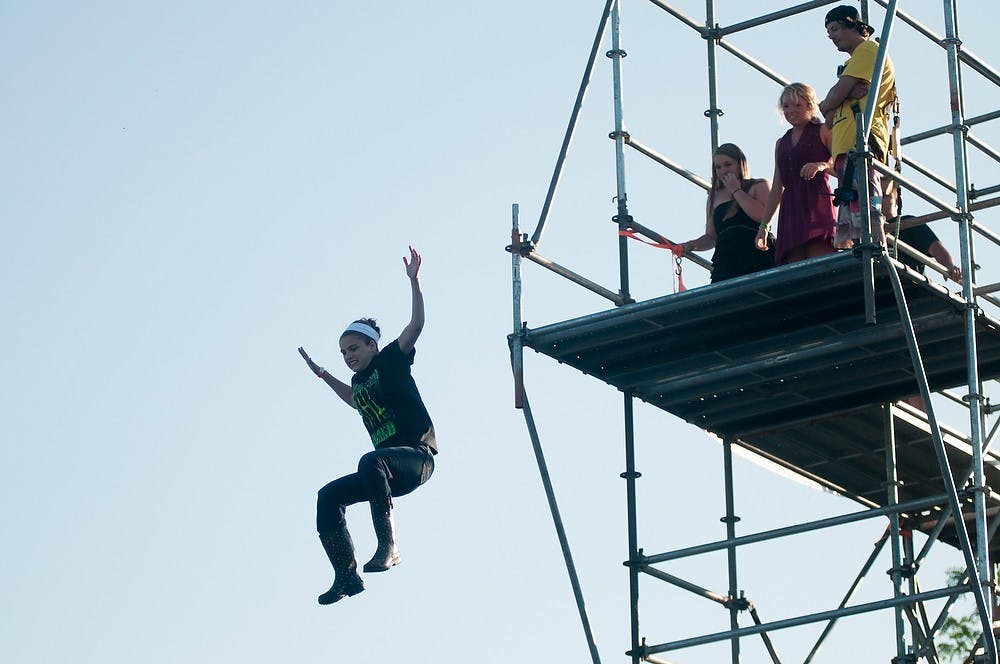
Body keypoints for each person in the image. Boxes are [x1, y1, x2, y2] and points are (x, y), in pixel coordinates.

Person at [297, 246, 436, 605]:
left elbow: (416, 326)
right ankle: (346, 575)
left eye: (355, 348)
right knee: (327, 497)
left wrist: (415, 281)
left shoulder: (391, 360)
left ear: (372, 346)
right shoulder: (360, 384)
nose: (349, 356)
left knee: (369, 460)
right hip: (385, 477)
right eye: (344, 353)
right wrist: (323, 373)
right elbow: (353, 399)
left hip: (416, 459)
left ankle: (389, 547)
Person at [817, 5, 896, 247]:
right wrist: (843, 94)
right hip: (847, 146)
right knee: (852, 212)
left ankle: (876, 253)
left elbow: (832, 99)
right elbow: (827, 115)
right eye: (829, 31)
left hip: (863, 142)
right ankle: (860, 255)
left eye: (836, 28)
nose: (832, 36)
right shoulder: (853, 63)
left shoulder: (868, 49)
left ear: (853, 25)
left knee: (867, 208)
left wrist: (840, 94)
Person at [756, 83, 839, 265]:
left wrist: (822, 165)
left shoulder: (824, 130)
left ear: (810, 106)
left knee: (820, 264)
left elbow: (845, 170)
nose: (790, 110)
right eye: (786, 106)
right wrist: (764, 226)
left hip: (817, 203)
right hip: (791, 209)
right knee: (795, 269)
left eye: (797, 105)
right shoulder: (781, 143)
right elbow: (777, 188)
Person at [680, 143, 775, 283]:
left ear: (740, 164)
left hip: (755, 252)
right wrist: (691, 245)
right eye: (718, 167)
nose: (723, 170)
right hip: (726, 258)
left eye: (728, 164)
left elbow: (763, 216)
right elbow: (711, 237)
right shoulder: (714, 196)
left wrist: (736, 191)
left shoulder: (759, 185)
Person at [892, 215, 963, 283]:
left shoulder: (908, 222)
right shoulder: (881, 227)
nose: (881, 202)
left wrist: (949, 266)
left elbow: (936, 248)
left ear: (897, 203)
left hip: (909, 284)